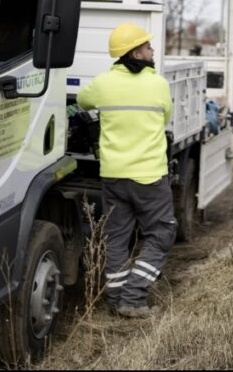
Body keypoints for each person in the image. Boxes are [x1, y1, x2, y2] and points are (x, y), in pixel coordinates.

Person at [76, 23, 175, 318]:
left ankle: (117, 299)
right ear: (136, 52)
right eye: (148, 46)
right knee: (161, 233)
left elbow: (82, 100)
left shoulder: (104, 83)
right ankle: (133, 297)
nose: (152, 50)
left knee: (117, 239)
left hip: (114, 176)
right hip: (149, 178)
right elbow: (166, 117)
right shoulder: (158, 84)